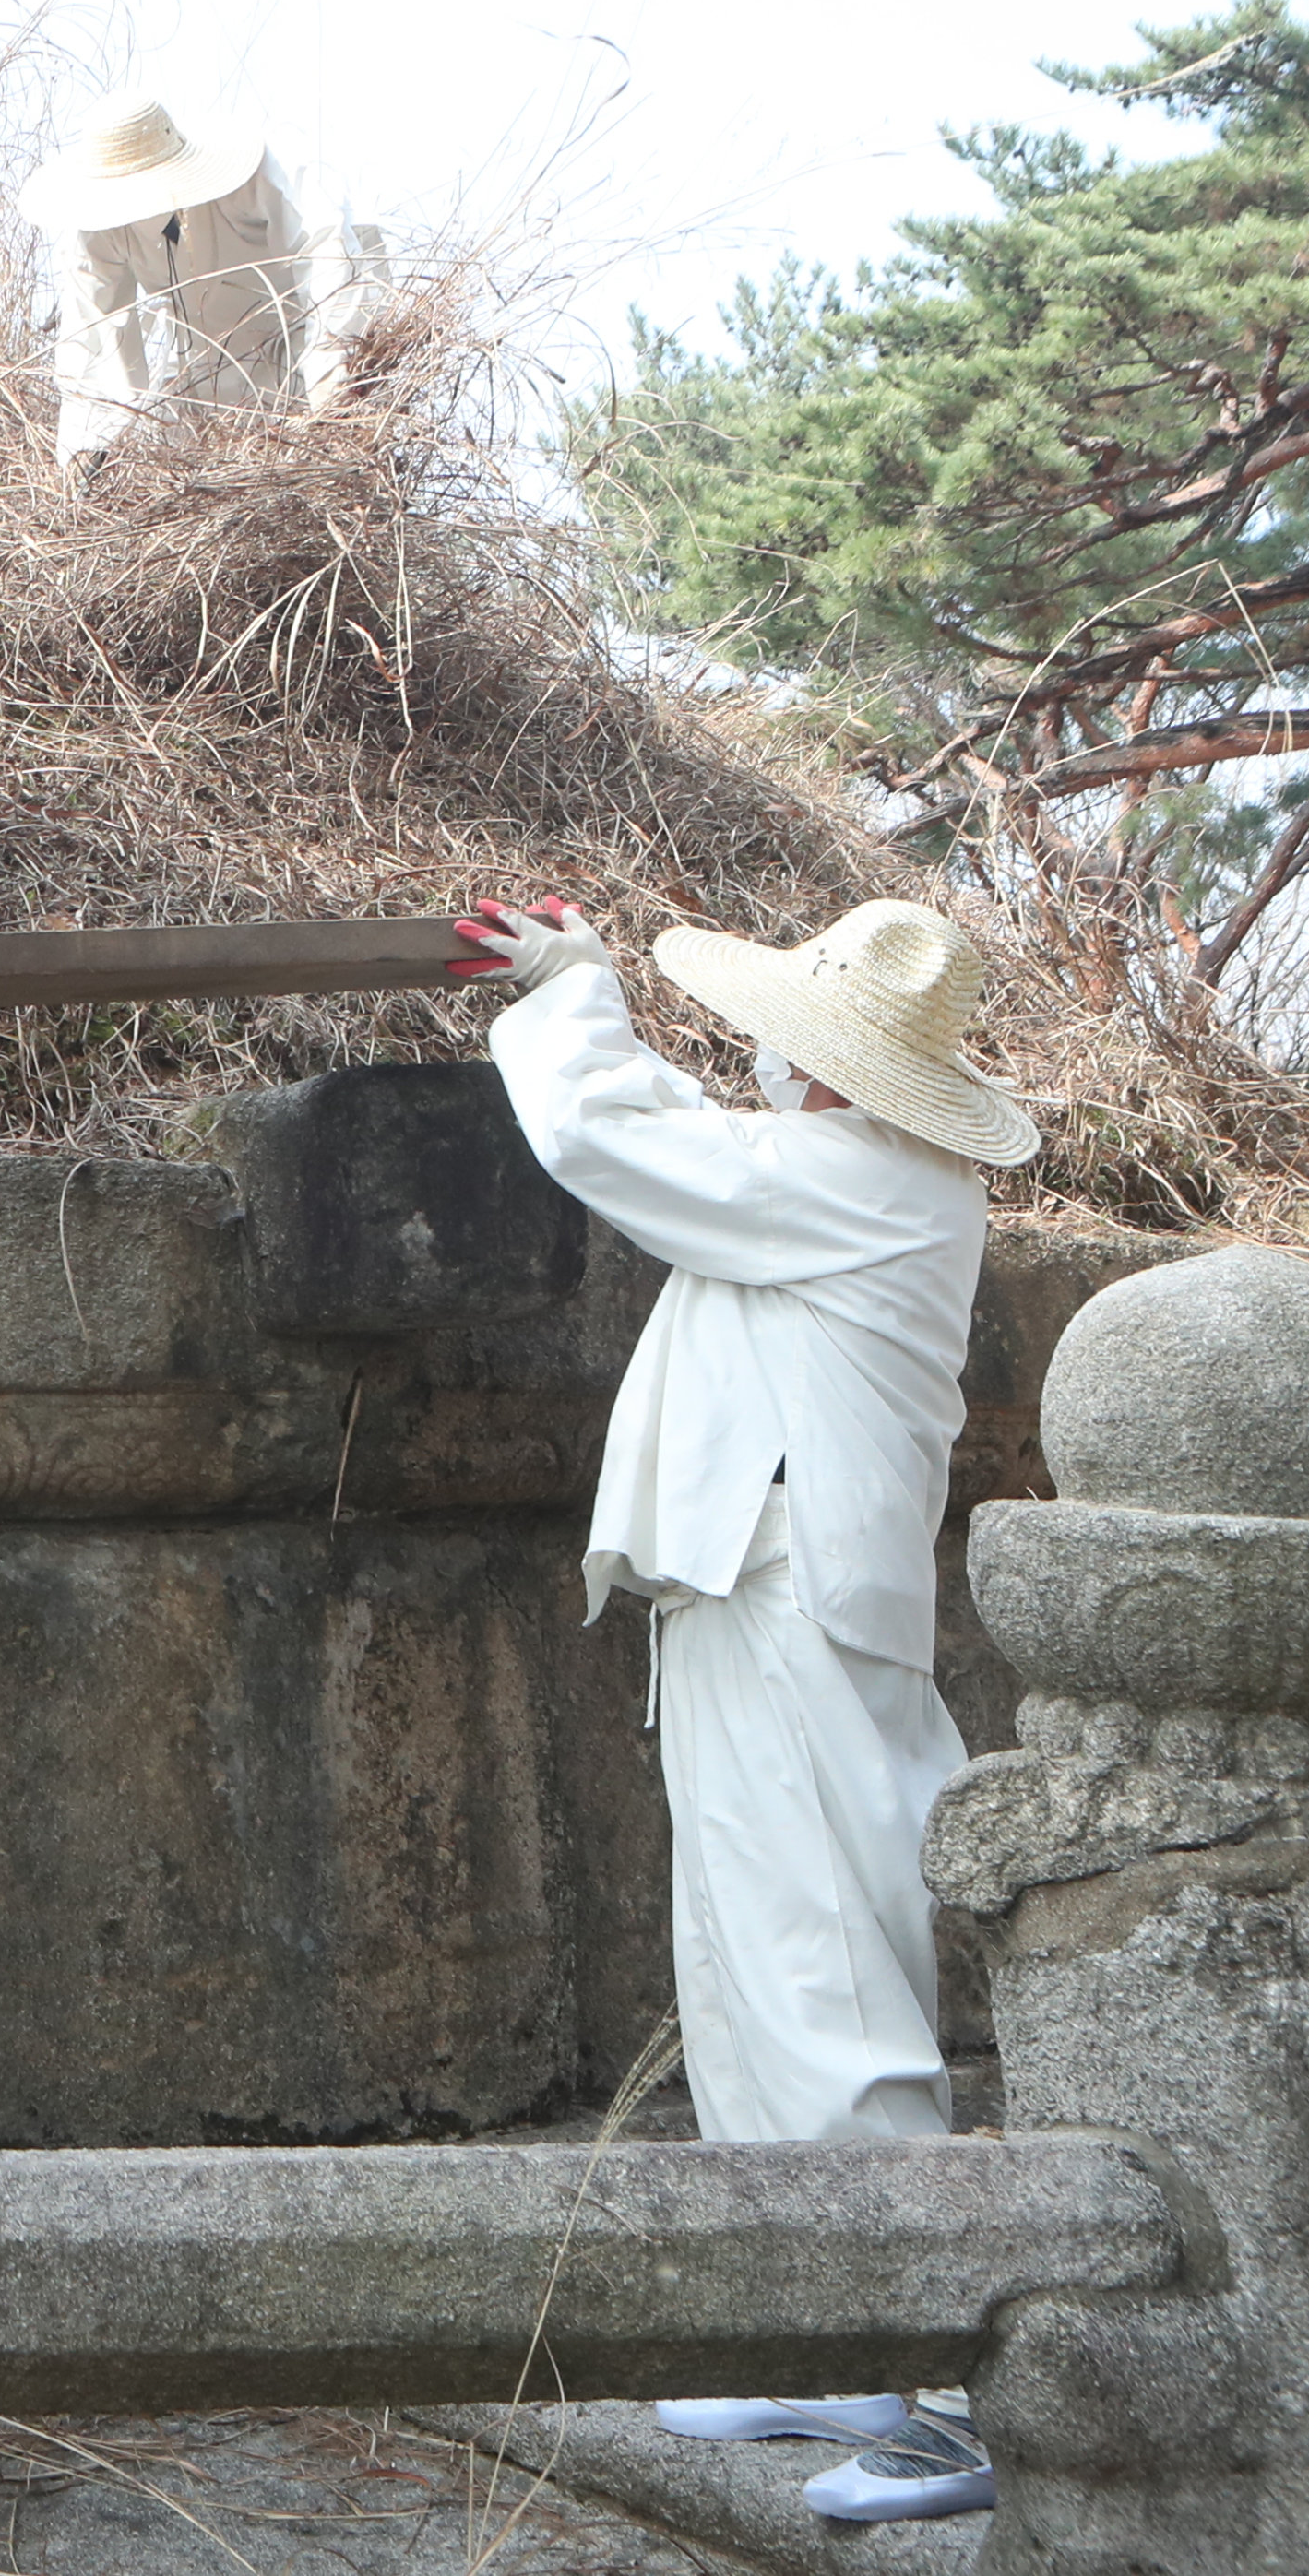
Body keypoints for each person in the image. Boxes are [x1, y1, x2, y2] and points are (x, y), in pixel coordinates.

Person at [449, 893, 1033, 2530]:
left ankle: (937, 2373)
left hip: (798, 1601)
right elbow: (693, 1142)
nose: (772, 1053)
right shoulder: (841, 1171)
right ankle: (824, 2342)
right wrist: (585, 990)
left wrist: (573, 992)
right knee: (750, 1966)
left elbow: (619, 1138)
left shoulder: (865, 1176)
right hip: (751, 1590)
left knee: (827, 1979)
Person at [33, 96, 396, 481]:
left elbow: (331, 256)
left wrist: (333, 382)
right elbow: (91, 336)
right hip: (202, 377)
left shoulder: (266, 173)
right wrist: (88, 453)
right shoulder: (94, 229)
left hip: (297, 346)